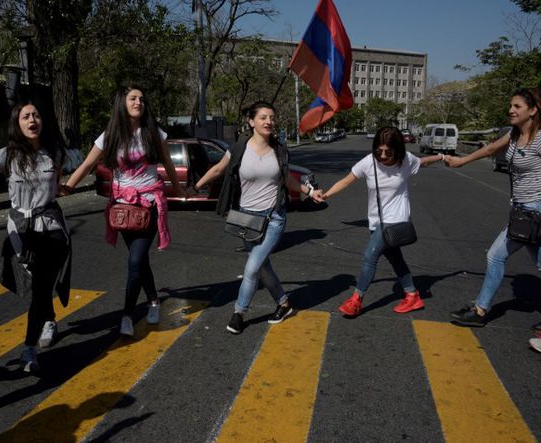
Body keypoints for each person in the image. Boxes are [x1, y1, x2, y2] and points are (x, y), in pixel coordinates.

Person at [61, 85, 185, 337]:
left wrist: (183, 190)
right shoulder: (110, 135)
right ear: (122, 103)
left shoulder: (154, 133)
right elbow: (87, 163)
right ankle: (153, 301)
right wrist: (68, 186)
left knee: (136, 260)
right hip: (122, 208)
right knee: (140, 261)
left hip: (149, 204)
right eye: (133, 98)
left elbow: (169, 166)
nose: (138, 102)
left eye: (141, 98)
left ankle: (127, 314)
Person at [194, 101, 312, 334]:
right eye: (263, 117)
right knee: (263, 266)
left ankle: (239, 312)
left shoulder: (279, 150)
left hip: (274, 218)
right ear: (251, 122)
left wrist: (309, 191)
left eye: (271, 117)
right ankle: (284, 303)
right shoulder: (238, 149)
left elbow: (288, 180)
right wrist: (196, 186)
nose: (269, 121)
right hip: (247, 219)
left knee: (251, 268)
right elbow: (219, 169)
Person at [0, 102, 71, 373]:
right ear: (17, 123)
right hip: (21, 230)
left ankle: (29, 349)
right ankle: (48, 318)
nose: (32, 120)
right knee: (36, 284)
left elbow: (57, 185)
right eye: (25, 116)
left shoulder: (54, 153)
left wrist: (60, 188)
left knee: (40, 287)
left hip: (51, 228)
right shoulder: (6, 156)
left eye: (36, 115)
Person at [320, 126, 444, 317]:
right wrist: (326, 194)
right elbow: (346, 180)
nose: (383, 155)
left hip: (396, 220)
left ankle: (356, 300)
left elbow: (423, 161)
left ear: (398, 150)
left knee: (370, 256)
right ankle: (412, 295)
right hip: (377, 221)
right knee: (396, 259)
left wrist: (442, 157)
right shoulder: (368, 163)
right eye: (379, 151)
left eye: (388, 152)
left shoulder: (406, 161)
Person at [447, 87, 541, 327]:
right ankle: (480, 310)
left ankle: (480, 310)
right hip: (522, 211)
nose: (511, 110)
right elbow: (490, 149)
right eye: (511, 105)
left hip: (536, 210)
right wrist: (461, 161)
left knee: (496, 255)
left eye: (517, 106)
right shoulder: (513, 134)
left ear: (533, 110)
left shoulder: (540, 138)